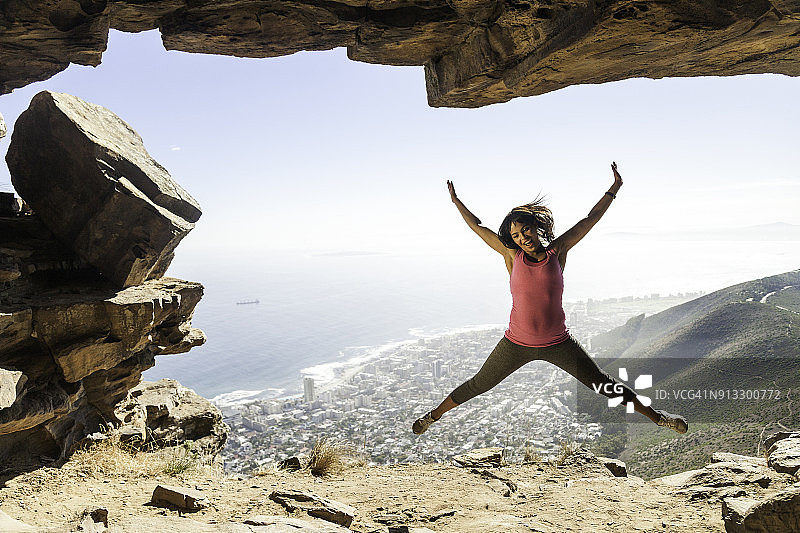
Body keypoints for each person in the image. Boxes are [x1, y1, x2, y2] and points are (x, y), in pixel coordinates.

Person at [412, 162, 688, 436]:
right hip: (515, 344)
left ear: (536, 227)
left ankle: (660, 418)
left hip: (559, 343)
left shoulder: (558, 251)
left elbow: (589, 219)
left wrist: (614, 188)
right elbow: (477, 226)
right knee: (478, 385)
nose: (523, 239)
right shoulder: (511, 256)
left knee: (603, 384)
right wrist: (456, 201)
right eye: (516, 236)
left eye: (526, 231)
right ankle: (431, 417)